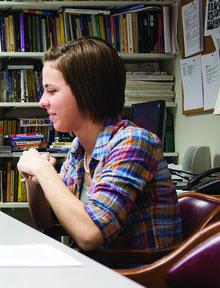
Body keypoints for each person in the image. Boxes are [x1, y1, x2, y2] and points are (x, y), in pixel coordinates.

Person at [17, 37, 181, 263]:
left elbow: (90, 235)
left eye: (52, 91)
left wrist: (45, 172)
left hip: (133, 278)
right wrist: (34, 181)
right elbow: (48, 221)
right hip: (95, 270)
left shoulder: (134, 142)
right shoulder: (79, 148)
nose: (42, 102)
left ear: (87, 91)